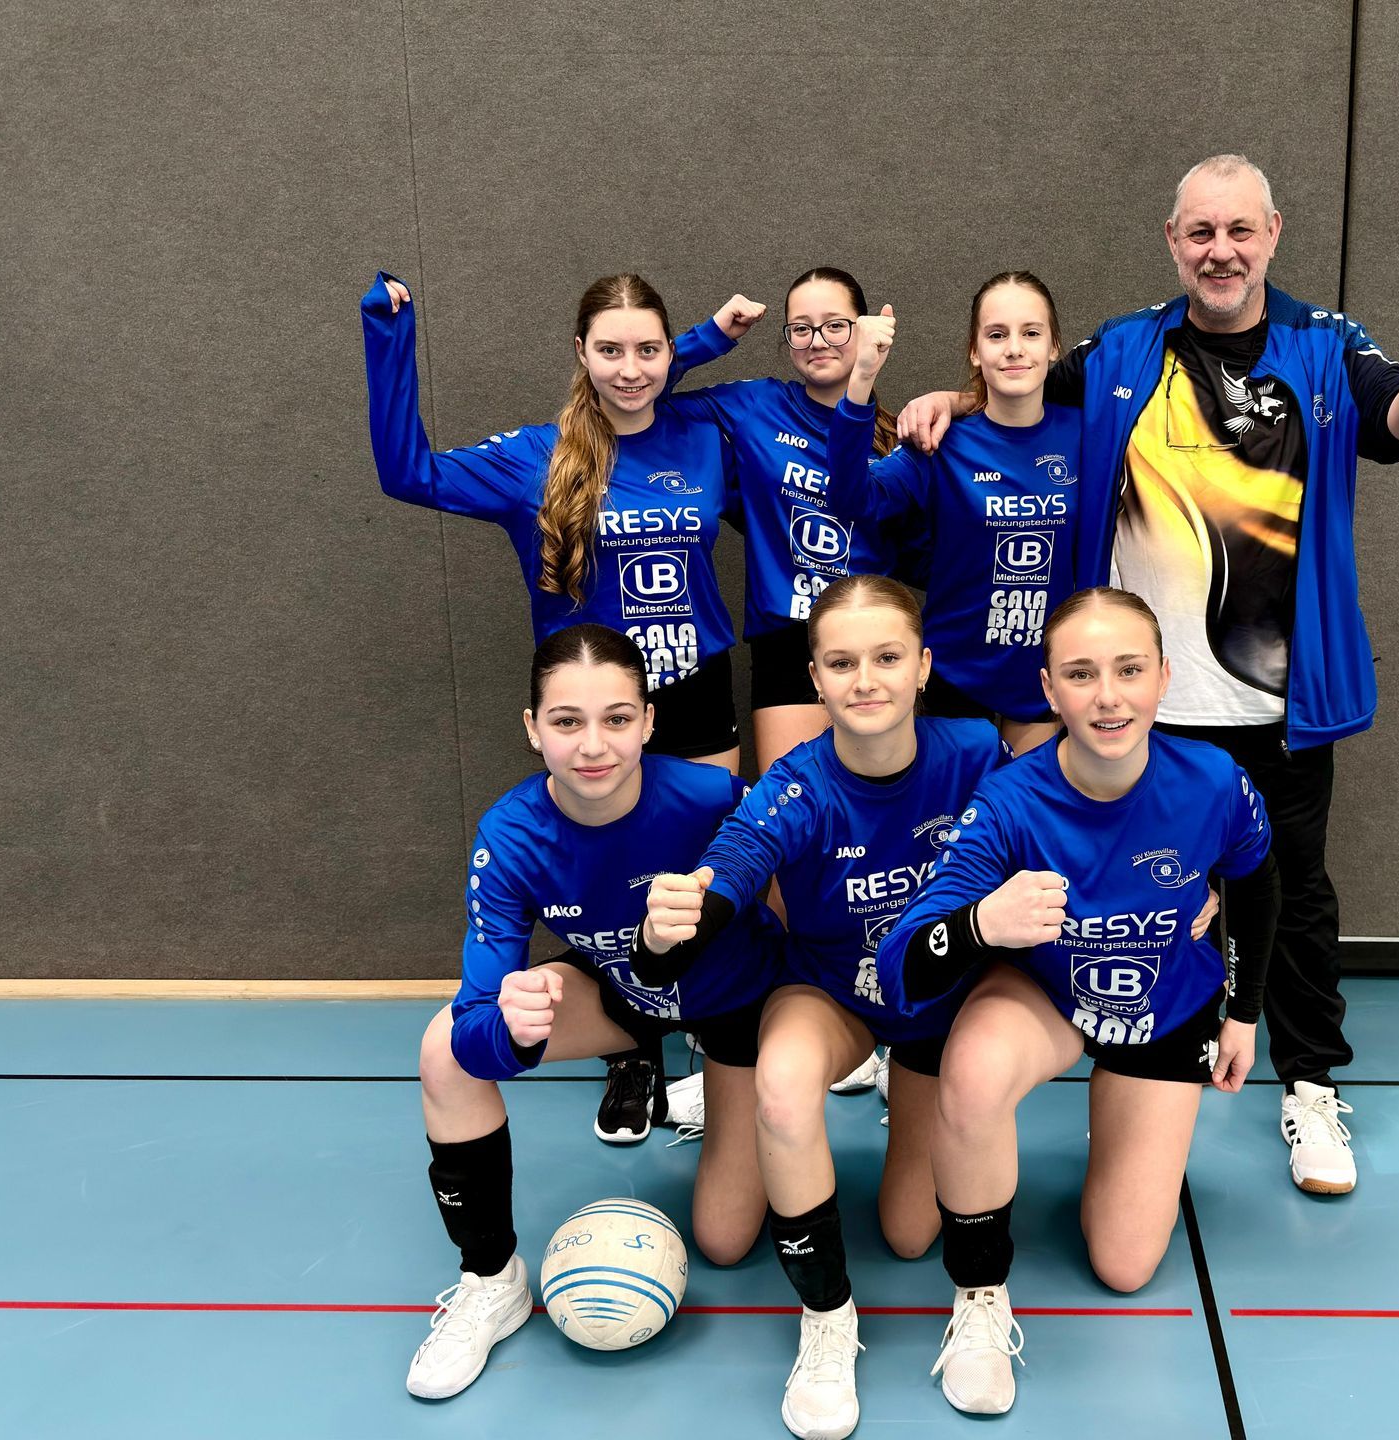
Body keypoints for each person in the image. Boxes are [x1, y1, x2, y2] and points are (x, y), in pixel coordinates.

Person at [898, 155, 1399, 1195]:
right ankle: (1121, 1077)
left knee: (1292, 891)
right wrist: (950, 394)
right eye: (1201, 232)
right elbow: (1017, 387)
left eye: (1240, 231)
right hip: (1139, 700)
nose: (1221, 251)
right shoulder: (1124, 348)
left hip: (1277, 699)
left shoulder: (1326, 344)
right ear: (1173, 241)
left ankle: (1310, 1083)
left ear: (1273, 233)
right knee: (1134, 889)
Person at [877, 586, 1279, 1417]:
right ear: (1050, 689)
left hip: (1163, 1006)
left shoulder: (1213, 781)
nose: (1107, 696)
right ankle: (980, 1299)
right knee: (973, 1074)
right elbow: (901, 967)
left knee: (1124, 1267)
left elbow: (1258, 879)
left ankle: (1123, 1121)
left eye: (1129, 670)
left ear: (1164, 676)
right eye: (1081, 674)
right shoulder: (1009, 803)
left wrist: (1244, 1012)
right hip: (1047, 996)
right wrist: (983, 924)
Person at [636, 575, 1003, 1440]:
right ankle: (828, 1319)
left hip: (934, 1001)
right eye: (841, 663)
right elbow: (735, 860)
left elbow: (1059, 826)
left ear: (923, 666)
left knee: (910, 1233)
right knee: (781, 1083)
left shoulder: (976, 753)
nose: (865, 680)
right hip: (831, 992)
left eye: (887, 658)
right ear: (815, 676)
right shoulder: (796, 783)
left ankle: (978, 1283)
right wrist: (675, 919)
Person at [405, 624, 781, 1401]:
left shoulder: (711, 797)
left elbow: (794, 902)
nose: (592, 745)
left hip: (738, 1006)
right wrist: (510, 1030)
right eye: (567, 721)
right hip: (625, 994)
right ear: (532, 728)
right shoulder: (511, 834)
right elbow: (477, 1021)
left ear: (648, 721)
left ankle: (721, 1091)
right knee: (444, 1049)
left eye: (616, 718)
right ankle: (491, 1281)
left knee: (724, 1240)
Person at [362, 270, 766, 771]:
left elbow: (772, 518)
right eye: (609, 350)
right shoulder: (535, 458)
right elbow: (408, 474)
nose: (630, 370)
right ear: (582, 351)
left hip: (696, 684)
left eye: (648, 350)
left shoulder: (704, 442)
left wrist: (710, 338)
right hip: (588, 701)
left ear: (669, 351)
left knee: (710, 825)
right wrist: (387, 337)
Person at [665, 267, 918, 770]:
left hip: (874, 639)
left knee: (879, 800)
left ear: (867, 328)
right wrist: (713, 335)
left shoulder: (898, 437)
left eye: (835, 325)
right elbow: (642, 392)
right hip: (786, 639)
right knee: (793, 804)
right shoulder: (758, 406)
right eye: (801, 328)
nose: (817, 340)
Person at [829, 273, 1091, 757]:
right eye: (997, 335)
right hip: (956, 673)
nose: (1014, 349)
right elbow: (852, 501)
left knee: (1028, 804)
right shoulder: (941, 440)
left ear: (1055, 346)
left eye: (1031, 333)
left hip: (1042, 673)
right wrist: (861, 380)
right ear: (975, 350)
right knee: (956, 804)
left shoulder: (1089, 434)